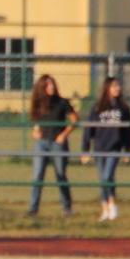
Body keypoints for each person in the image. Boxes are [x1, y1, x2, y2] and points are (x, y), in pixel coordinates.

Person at [81, 76, 130, 222]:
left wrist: (128, 150)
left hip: (114, 147)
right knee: (103, 178)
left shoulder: (123, 108)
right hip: (99, 147)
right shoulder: (97, 107)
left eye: (118, 86)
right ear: (107, 88)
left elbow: (129, 130)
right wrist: (85, 149)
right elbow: (89, 129)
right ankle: (105, 209)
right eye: (114, 86)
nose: (118, 88)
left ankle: (112, 204)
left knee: (107, 176)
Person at [26, 74, 77, 218]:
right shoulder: (38, 103)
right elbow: (36, 121)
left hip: (57, 143)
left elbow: (74, 120)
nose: (51, 87)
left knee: (61, 175)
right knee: (37, 176)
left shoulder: (62, 102)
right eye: (48, 85)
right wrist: (35, 131)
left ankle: (67, 208)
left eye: (52, 84)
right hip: (42, 144)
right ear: (42, 88)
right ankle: (33, 209)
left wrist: (64, 134)